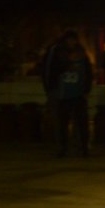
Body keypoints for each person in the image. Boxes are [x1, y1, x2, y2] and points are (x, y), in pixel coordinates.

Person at [42, 29, 93, 157]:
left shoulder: (81, 53)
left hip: (78, 92)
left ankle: (80, 147)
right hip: (61, 93)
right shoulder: (56, 51)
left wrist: (86, 89)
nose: (71, 42)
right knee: (61, 122)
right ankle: (63, 148)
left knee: (80, 122)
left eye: (73, 40)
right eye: (69, 39)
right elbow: (48, 71)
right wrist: (50, 89)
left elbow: (88, 73)